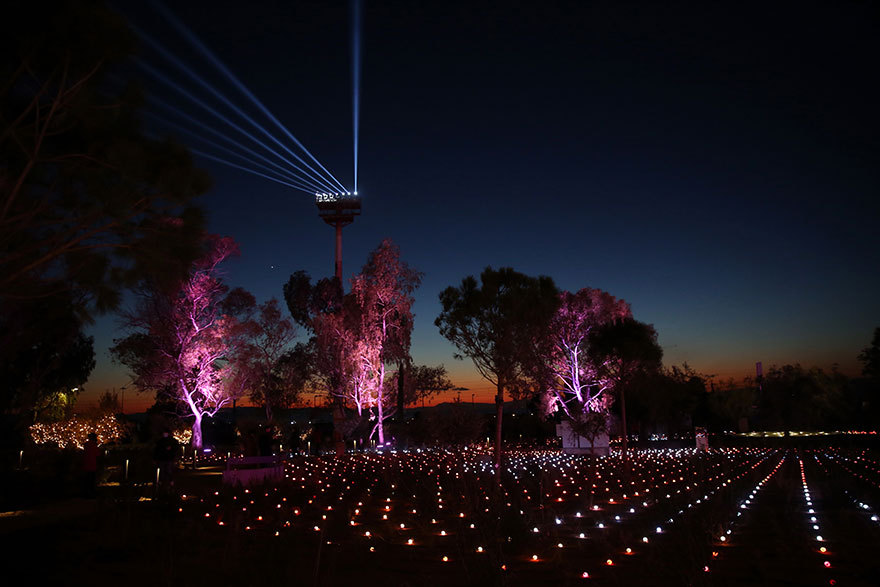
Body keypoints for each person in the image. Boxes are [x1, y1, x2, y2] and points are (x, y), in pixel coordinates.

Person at [82, 432, 100, 498]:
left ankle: (87, 493)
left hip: (86, 464)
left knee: (87, 480)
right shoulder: (94, 445)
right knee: (91, 480)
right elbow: (97, 454)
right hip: (92, 465)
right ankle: (91, 493)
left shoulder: (86, 445)